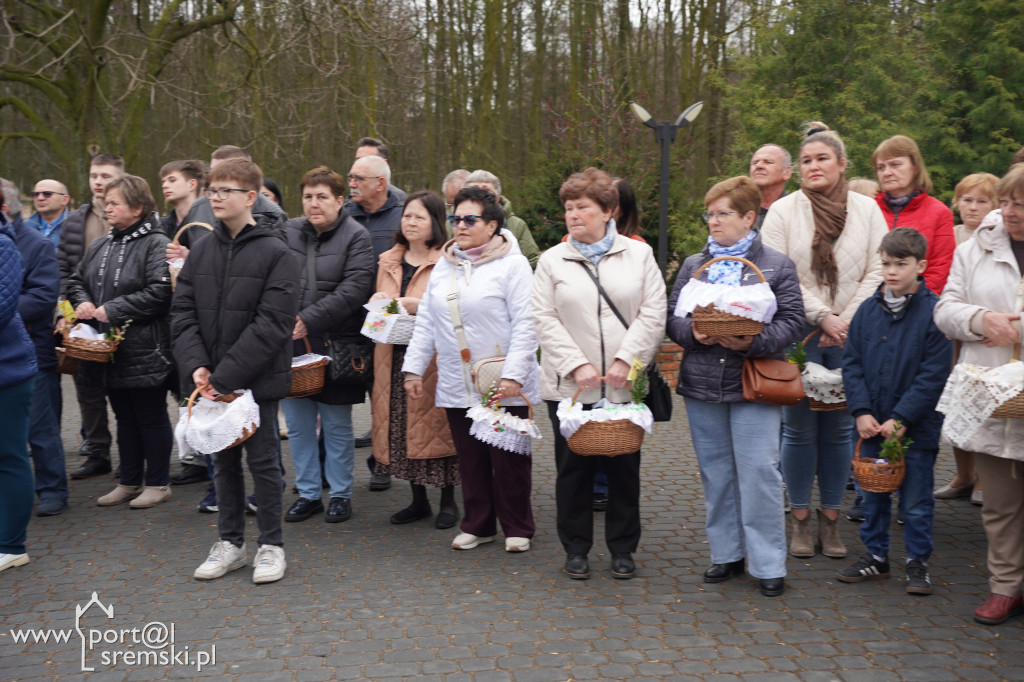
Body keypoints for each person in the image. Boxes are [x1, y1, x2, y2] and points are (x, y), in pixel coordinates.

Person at [667, 176, 804, 596]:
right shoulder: (694, 265)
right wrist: (696, 335)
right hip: (703, 385)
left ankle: (767, 563)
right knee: (717, 474)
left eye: (723, 213)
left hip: (754, 384)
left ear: (749, 217)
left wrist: (753, 341)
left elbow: (794, 322)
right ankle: (726, 554)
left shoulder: (777, 265)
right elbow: (672, 319)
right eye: (710, 213)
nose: (714, 221)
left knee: (760, 472)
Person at [761, 122, 888, 560]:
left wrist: (847, 320)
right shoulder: (783, 212)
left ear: (842, 164)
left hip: (855, 336)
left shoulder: (868, 209)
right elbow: (781, 273)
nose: (814, 167)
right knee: (797, 432)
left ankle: (830, 523)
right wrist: (823, 316)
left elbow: (879, 266)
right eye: (808, 161)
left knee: (837, 432)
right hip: (799, 333)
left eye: (823, 159)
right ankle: (798, 521)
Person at [532, 167, 666, 580]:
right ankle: (576, 549)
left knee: (625, 468)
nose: (573, 215)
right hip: (571, 387)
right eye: (569, 208)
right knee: (573, 471)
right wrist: (577, 364)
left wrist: (629, 360)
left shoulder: (638, 254)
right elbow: (543, 317)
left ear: (608, 210)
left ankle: (623, 549)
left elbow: (653, 311)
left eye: (583, 208)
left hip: (624, 386)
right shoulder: (552, 260)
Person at [171, 158, 300, 584]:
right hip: (210, 383)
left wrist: (224, 376)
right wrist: (197, 368)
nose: (216, 196)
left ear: (251, 197)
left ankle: (270, 546)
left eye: (226, 189)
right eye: (212, 189)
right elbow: (184, 310)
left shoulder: (277, 252)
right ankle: (231, 543)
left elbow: (273, 324)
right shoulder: (203, 248)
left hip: (255, 382)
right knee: (221, 463)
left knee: (263, 463)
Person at [403, 186, 540, 552]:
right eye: (455, 218)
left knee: (509, 458)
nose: (460, 226)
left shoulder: (512, 263)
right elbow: (428, 322)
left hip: (502, 378)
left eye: (470, 219)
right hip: (456, 378)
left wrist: (513, 375)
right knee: (471, 459)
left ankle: (518, 526)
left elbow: (527, 323)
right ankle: (478, 524)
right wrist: (413, 370)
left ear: (493, 225)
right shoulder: (444, 265)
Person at [837, 228, 951, 595]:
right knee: (873, 495)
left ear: (921, 266)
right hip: (872, 426)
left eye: (901, 264)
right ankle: (876, 557)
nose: (892, 271)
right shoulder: (868, 311)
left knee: (916, 500)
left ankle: (917, 562)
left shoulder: (935, 314)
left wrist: (902, 418)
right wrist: (861, 411)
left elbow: (933, 375)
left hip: (915, 428)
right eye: (886, 263)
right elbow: (851, 364)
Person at [934, 164, 1024, 625]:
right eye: (1005, 202)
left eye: (1019, 204)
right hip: (990, 390)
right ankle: (1005, 586)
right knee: (1000, 501)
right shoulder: (976, 247)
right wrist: (979, 320)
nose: (1008, 212)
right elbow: (945, 309)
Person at [65, 175, 175, 509]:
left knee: (150, 415)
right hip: (108, 350)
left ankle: (158, 483)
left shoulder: (157, 243)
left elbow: (160, 292)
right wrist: (83, 303)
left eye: (114, 203)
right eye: (106, 202)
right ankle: (129, 481)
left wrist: (110, 309)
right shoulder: (102, 243)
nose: (107, 208)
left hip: (146, 347)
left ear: (138, 207)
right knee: (123, 417)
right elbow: (75, 280)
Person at [281, 167, 375, 523]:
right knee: (300, 425)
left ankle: (339, 494)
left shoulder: (357, 236)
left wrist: (309, 318)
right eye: (308, 196)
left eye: (322, 197)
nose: (314, 204)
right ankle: (308, 493)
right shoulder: (288, 231)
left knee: (336, 426)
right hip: (291, 346)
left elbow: (354, 289)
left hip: (336, 346)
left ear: (339, 200)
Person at [370, 190, 460, 528]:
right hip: (391, 355)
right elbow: (378, 314)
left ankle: (449, 502)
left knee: (438, 429)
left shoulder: (448, 261)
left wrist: (415, 305)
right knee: (401, 428)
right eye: (407, 215)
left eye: (419, 217)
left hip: (433, 360)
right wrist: (378, 301)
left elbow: (454, 308)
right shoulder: (387, 260)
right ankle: (417, 499)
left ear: (435, 222)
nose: (411, 222)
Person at [933, 172, 1000, 507]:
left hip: (989, 335)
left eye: (982, 201)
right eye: (967, 200)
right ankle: (963, 473)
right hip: (955, 327)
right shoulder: (954, 235)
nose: (973, 207)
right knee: (959, 401)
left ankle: (987, 479)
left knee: (988, 403)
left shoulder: (1001, 239)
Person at [0, 179, 65, 516]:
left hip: (32, 349)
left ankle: (53, 489)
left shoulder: (36, 245)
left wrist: (7, 313)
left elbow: (42, 295)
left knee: (41, 428)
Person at [57, 152, 123, 479]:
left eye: (106, 176)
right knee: (87, 389)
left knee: (127, 390)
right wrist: (65, 312)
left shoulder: (138, 217)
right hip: (83, 317)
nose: (98, 182)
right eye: (94, 175)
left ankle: (133, 455)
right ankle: (97, 452)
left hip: (124, 317)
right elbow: (63, 271)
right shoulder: (73, 221)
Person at [872, 135, 955, 293]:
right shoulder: (868, 208)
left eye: (895, 164)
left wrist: (907, 300)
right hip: (870, 305)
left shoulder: (939, 213)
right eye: (881, 167)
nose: (887, 172)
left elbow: (940, 270)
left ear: (915, 167)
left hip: (918, 305)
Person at [0, 232, 37, 572]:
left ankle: (11, 545)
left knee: (9, 456)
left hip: (7, 373)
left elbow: (3, 304)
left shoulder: (3, 245)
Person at [463, 170, 541, 267]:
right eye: (473, 191)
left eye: (486, 191)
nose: (480, 196)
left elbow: (533, 261)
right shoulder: (454, 223)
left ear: (498, 197)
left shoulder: (516, 225)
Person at [344, 154, 405, 258]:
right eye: (350, 178)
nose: (352, 185)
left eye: (359, 179)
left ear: (380, 184)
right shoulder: (342, 215)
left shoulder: (403, 217)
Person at [159, 159, 212, 248]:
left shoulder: (208, 223)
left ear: (192, 184)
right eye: (163, 182)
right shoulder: (161, 226)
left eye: (172, 180)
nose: (164, 186)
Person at [749, 144, 793, 227]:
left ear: (787, 172)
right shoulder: (737, 209)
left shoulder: (797, 212)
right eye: (755, 162)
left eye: (767, 162)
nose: (758, 166)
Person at [354, 137, 407, 204]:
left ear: (384, 163)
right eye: (358, 160)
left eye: (367, 160)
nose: (360, 164)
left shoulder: (399, 201)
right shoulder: (350, 201)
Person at [25, 179, 72, 250]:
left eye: (47, 194)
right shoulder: (24, 228)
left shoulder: (77, 227)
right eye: (36, 194)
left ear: (65, 199)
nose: (40, 198)